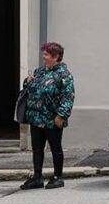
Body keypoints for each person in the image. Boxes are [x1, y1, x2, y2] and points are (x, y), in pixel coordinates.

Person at [20, 42, 75, 190]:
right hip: (36, 117)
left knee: (55, 148)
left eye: (46, 55)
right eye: (43, 54)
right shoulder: (39, 72)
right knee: (37, 148)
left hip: (52, 119)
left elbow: (68, 97)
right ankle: (37, 177)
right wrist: (28, 82)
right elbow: (29, 89)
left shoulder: (64, 75)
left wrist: (61, 115)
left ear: (56, 57)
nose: (43, 57)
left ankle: (58, 176)